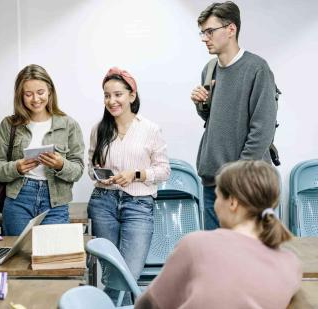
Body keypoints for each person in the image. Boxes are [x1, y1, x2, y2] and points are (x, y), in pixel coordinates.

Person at [135, 160, 302, 309]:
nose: (215, 205)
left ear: (232, 202)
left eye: (217, 197)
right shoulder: (290, 264)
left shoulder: (196, 245)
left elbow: (150, 304)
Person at [190, 1, 278, 230]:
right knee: (215, 258)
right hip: (212, 183)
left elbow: (262, 130)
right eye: (203, 32)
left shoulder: (257, 69)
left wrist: (236, 176)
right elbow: (215, 120)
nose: (204, 38)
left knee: (249, 258)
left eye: (210, 31)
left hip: (246, 184)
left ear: (231, 29)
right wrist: (202, 105)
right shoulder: (209, 69)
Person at [88, 67, 170, 305]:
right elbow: (90, 168)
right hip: (103, 203)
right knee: (112, 273)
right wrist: (100, 176)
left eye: (117, 94)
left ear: (132, 96)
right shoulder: (99, 129)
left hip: (139, 205)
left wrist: (135, 174)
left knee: (128, 273)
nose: (111, 101)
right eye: (106, 95)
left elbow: (164, 170)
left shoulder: (150, 129)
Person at [0, 64, 85, 236]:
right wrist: (16, 168)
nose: (35, 99)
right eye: (28, 94)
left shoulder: (69, 125)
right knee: (17, 259)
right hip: (18, 199)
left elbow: (78, 171)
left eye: (40, 92)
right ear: (20, 96)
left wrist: (60, 165)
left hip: (55, 202)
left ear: (50, 91)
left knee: (51, 258)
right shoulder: (9, 125)